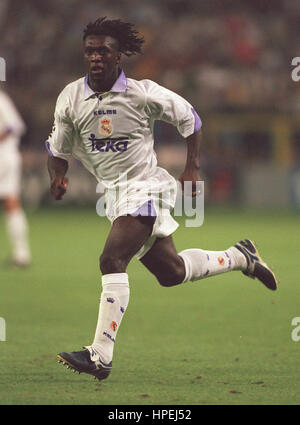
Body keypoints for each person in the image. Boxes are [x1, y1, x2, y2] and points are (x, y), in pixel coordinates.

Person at [46, 17, 277, 381]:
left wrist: (192, 168)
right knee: (172, 273)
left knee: (112, 259)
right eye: (90, 50)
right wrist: (57, 175)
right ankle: (241, 256)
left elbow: (191, 120)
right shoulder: (71, 98)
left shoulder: (144, 93)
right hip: (115, 195)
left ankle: (100, 355)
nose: (95, 57)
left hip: (146, 188)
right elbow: (57, 148)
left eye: (103, 50)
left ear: (118, 56)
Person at [0, 88, 31, 267]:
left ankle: (22, 254)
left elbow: (14, 126)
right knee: (11, 203)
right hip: (7, 158)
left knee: (11, 202)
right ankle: (21, 254)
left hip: (4, 158)